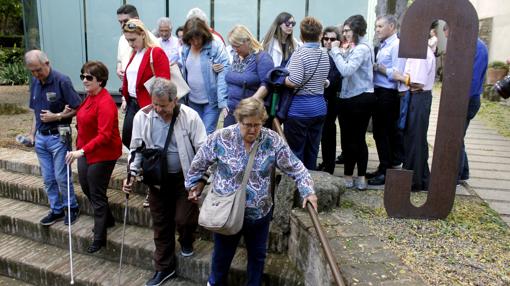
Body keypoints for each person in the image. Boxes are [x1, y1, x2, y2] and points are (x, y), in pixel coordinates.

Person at [185, 97, 318, 286]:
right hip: (227, 211)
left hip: (258, 212)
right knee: (222, 255)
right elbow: (198, 163)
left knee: (257, 256)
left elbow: (295, 167)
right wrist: (193, 185)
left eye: (257, 125)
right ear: (238, 120)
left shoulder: (271, 140)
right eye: (248, 125)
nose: (253, 130)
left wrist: (308, 191)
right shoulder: (221, 137)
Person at [122, 78, 207, 286]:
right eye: (155, 104)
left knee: (184, 220)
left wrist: (201, 181)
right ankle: (164, 268)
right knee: (161, 225)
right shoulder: (143, 117)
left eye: (163, 105)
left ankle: (187, 239)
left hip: (185, 179)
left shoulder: (190, 117)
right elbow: (136, 150)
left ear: (174, 100)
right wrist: (131, 175)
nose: (158, 109)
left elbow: (205, 152)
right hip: (157, 180)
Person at [65, 61, 122, 253]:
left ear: (100, 80)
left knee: (96, 193)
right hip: (85, 150)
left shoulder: (106, 102)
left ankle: (99, 237)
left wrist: (81, 151)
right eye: (82, 76)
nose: (84, 80)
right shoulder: (88, 97)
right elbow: (82, 120)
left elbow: (105, 135)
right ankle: (109, 218)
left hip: (103, 153)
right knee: (86, 186)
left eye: (89, 77)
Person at [24, 50, 81, 226]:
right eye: (32, 71)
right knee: (48, 178)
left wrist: (56, 116)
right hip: (41, 138)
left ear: (47, 63)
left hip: (59, 136)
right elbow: (36, 112)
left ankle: (71, 207)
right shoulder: (35, 82)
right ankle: (56, 209)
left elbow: (78, 107)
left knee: (61, 177)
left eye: (38, 70)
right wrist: (32, 134)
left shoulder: (62, 81)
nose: (36, 74)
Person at [330, 15, 376, 190]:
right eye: (343, 31)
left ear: (356, 29)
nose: (344, 34)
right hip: (347, 97)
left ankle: (360, 176)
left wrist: (335, 51)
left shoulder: (362, 48)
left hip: (360, 98)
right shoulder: (356, 46)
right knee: (348, 138)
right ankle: (349, 175)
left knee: (357, 139)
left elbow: (346, 70)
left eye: (347, 30)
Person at [443, 24, 489, 184]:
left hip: (466, 99)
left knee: (456, 137)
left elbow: (473, 80)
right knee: (458, 136)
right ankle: (463, 172)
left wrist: (458, 102)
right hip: (463, 98)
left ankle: (455, 176)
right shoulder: (470, 45)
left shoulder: (478, 47)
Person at [283, 16, 330, 170]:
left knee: (296, 152)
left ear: (302, 35)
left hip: (299, 111)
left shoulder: (300, 54)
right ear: (320, 35)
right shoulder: (325, 54)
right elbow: (324, 80)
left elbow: (294, 81)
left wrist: (281, 79)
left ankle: (297, 188)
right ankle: (311, 185)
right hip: (319, 108)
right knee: (312, 150)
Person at [392, 40, 436, 192]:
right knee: (415, 139)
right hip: (417, 98)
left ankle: (414, 181)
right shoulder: (419, 52)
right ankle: (421, 179)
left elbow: (417, 83)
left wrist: (399, 77)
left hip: (418, 97)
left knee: (414, 140)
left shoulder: (420, 54)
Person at [121, 18, 170, 148]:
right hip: (132, 102)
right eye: (127, 40)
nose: (130, 43)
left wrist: (156, 105)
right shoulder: (135, 53)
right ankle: (137, 164)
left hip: (148, 104)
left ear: (143, 34)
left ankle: (140, 165)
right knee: (128, 138)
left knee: (146, 141)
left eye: (133, 39)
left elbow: (164, 83)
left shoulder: (155, 52)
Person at [368, 15, 402, 186]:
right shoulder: (383, 45)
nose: (377, 29)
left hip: (388, 93)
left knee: (384, 133)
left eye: (380, 26)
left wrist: (379, 69)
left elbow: (397, 73)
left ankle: (386, 171)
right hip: (379, 91)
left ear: (392, 26)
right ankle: (383, 167)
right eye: (376, 26)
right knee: (379, 133)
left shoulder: (396, 45)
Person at [180, 17, 230, 134]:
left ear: (204, 34)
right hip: (192, 99)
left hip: (211, 101)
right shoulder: (186, 49)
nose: (196, 42)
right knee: (193, 134)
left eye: (198, 38)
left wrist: (222, 102)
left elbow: (224, 72)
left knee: (207, 134)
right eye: (192, 39)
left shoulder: (215, 46)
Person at [223, 25, 274, 127]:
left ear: (247, 41)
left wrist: (250, 103)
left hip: (251, 114)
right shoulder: (236, 57)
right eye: (232, 46)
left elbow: (267, 84)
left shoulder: (262, 57)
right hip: (231, 111)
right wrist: (223, 104)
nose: (234, 49)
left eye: (237, 46)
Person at [317, 26, 343, 174]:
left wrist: (326, 82)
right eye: (325, 38)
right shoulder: (320, 52)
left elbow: (337, 75)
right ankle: (326, 162)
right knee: (322, 132)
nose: (328, 41)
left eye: (332, 39)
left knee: (328, 131)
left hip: (332, 97)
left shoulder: (337, 54)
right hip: (319, 96)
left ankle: (329, 165)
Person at [116, 4, 159, 82]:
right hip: (127, 87)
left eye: (125, 21)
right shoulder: (122, 38)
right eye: (120, 22)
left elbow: (159, 73)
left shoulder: (153, 41)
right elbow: (120, 60)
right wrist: (119, 68)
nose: (122, 25)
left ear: (137, 20)